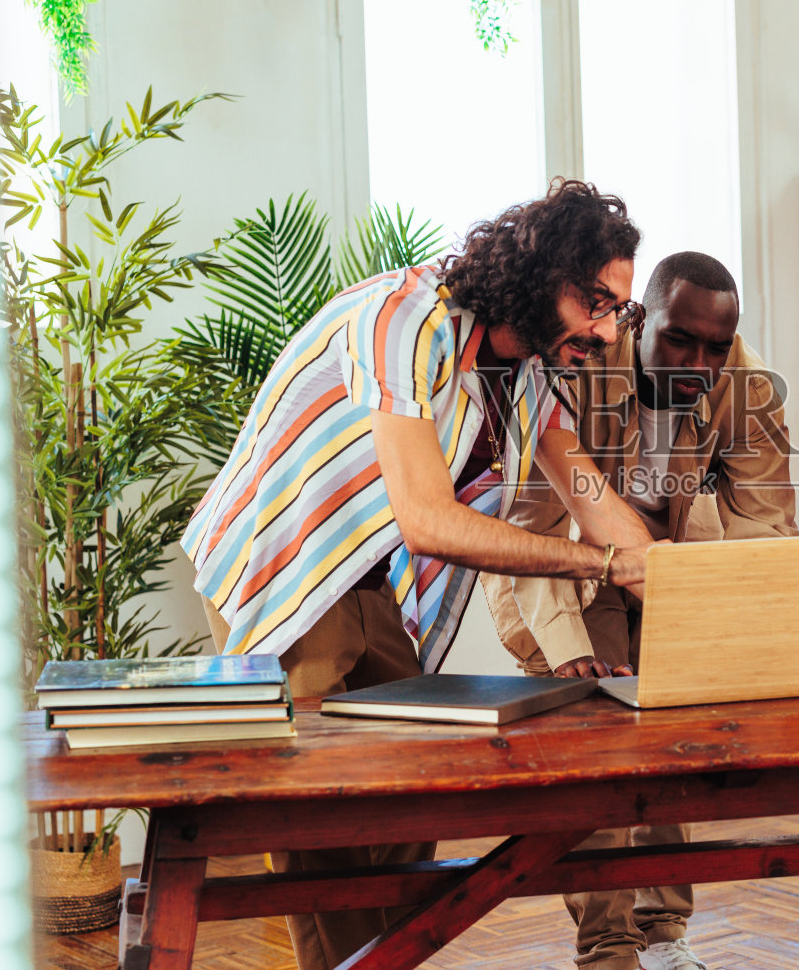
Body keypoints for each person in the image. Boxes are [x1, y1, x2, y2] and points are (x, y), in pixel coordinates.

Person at [182, 179, 664, 970]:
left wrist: (684, 582)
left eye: (622, 310)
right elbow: (428, 520)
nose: (609, 332)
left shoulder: (531, 369)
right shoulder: (407, 320)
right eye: (597, 303)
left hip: (363, 576)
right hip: (283, 565)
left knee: (411, 790)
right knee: (324, 826)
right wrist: (607, 562)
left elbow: (588, 492)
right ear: (544, 277)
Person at [482, 251, 799, 970]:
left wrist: (767, 631)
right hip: (566, 567)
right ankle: (607, 949)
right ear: (636, 318)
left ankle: (663, 936)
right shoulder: (575, 370)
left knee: (670, 747)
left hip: (670, 564)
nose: (699, 362)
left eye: (717, 346)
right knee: (592, 755)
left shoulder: (745, 386)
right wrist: (563, 646)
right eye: (680, 340)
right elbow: (527, 527)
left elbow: (765, 522)